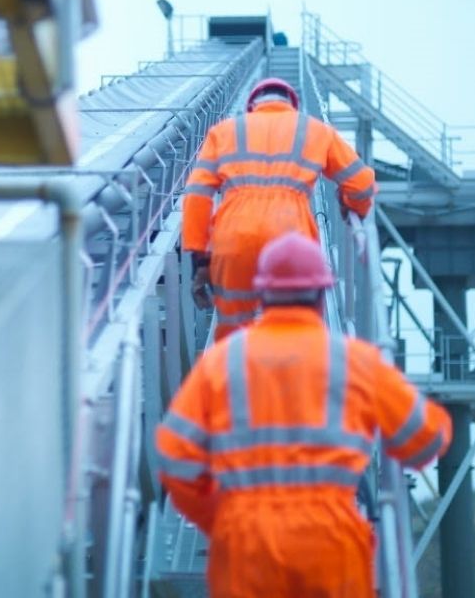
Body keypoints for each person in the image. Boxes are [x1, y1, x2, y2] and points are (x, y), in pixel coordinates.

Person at [156, 233, 451, 597]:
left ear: (261, 295)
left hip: (246, 545)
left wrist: (219, 516)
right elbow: (426, 441)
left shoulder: (222, 361)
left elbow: (174, 458)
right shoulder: (356, 362)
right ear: (321, 296)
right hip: (330, 545)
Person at [183, 78, 377, 340]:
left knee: (234, 337)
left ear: (252, 105)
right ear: (292, 105)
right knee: (297, 331)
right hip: (291, 238)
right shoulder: (315, 130)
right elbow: (363, 183)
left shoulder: (224, 132)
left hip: (234, 239)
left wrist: (200, 258)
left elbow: (197, 195)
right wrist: (350, 204)